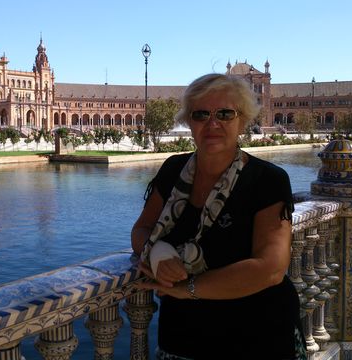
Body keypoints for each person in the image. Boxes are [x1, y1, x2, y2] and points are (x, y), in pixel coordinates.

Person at [131, 73, 306, 360]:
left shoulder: (267, 180)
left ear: (242, 119)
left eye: (225, 113)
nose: (212, 124)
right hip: (182, 338)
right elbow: (142, 230)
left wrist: (187, 288)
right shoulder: (173, 170)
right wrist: (158, 255)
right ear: (189, 122)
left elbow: (271, 268)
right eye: (201, 114)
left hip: (258, 338)